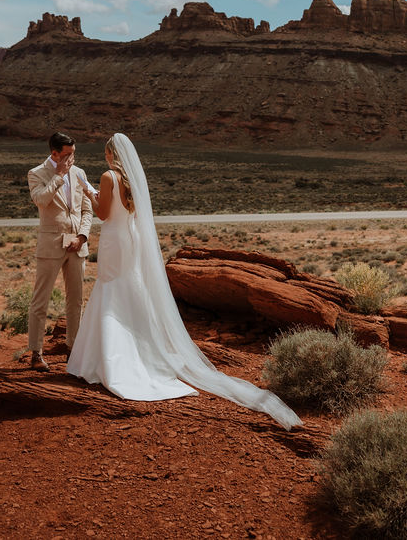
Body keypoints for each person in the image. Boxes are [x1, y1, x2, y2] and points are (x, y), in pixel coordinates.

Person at [67, 133, 302, 430]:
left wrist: (89, 193)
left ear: (110, 155)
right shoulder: (130, 181)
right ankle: (139, 350)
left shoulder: (107, 177)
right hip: (130, 239)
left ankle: (107, 360)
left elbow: (102, 214)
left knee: (110, 289)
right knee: (127, 288)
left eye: (106, 153)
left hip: (114, 240)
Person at [26, 132, 94, 371]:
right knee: (40, 301)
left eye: (73, 154)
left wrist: (82, 236)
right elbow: (41, 200)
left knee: (75, 300)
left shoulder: (80, 173)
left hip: (76, 245)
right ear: (54, 153)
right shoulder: (36, 173)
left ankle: (72, 351)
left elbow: (86, 210)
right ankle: (36, 353)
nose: (71, 159)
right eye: (66, 155)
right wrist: (58, 176)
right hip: (51, 244)